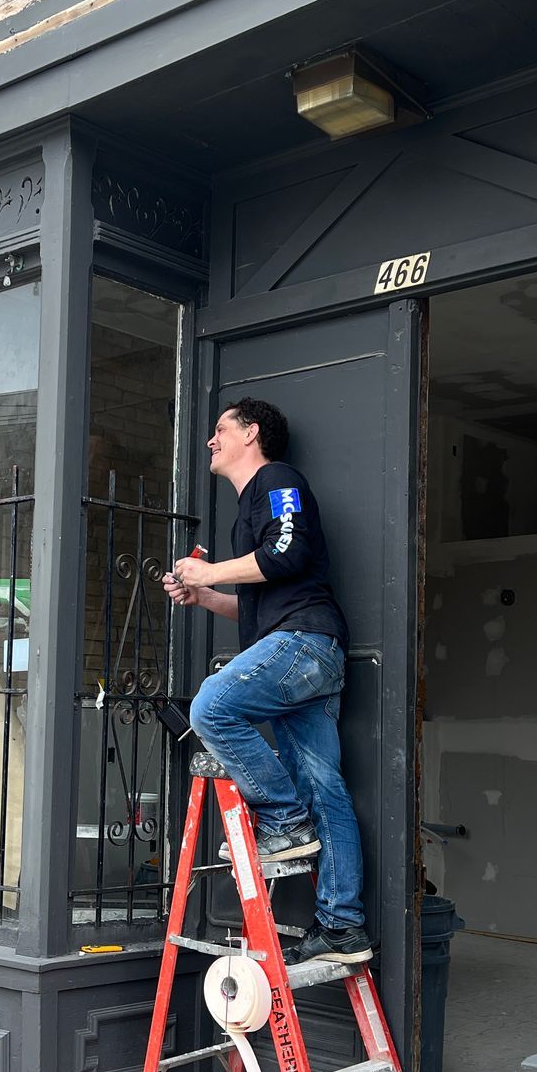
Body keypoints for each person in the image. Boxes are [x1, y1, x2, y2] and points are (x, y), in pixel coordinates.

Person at [165, 397, 370, 965]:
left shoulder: (278, 479)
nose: (211, 440)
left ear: (251, 433)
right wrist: (206, 595)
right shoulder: (247, 511)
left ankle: (282, 820)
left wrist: (209, 569)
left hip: (305, 645)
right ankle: (342, 926)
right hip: (302, 647)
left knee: (210, 709)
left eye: (220, 430)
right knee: (326, 789)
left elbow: (287, 552)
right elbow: (261, 604)